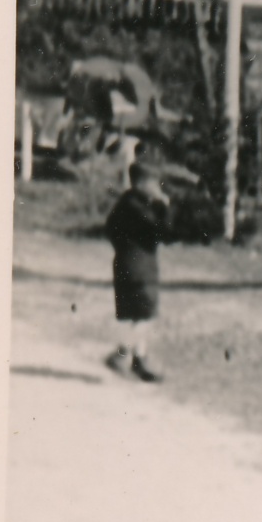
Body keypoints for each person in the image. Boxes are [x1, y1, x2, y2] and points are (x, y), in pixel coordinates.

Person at [104, 161, 171, 383]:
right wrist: (163, 206)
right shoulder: (138, 206)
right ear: (141, 183)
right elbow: (162, 231)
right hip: (140, 268)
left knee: (138, 314)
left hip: (126, 264)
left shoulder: (126, 203)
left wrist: (123, 248)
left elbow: (109, 229)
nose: (157, 187)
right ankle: (122, 353)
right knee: (147, 314)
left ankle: (139, 360)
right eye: (153, 182)